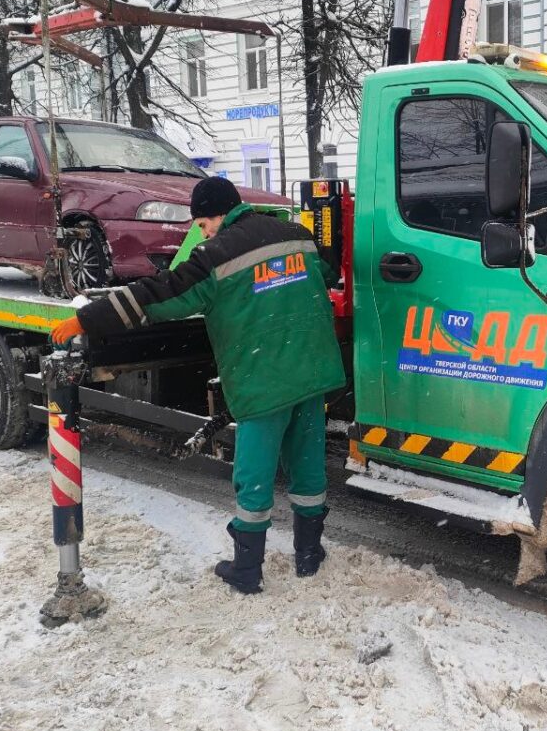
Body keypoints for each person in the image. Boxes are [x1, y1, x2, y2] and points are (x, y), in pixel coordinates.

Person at [50, 177, 345, 594]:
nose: (203, 234)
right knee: (308, 467)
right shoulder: (296, 235)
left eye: (202, 225)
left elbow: (159, 294)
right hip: (313, 374)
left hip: (264, 382)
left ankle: (247, 570)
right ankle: (309, 555)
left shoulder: (216, 254)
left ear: (216, 215)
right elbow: (326, 272)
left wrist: (87, 318)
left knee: (255, 477)